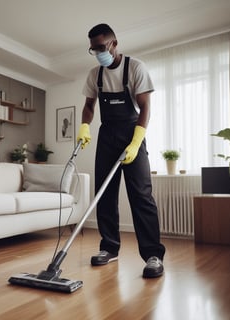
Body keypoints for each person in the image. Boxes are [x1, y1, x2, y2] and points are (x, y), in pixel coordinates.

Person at [77, 23, 165, 278]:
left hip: (132, 132)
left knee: (141, 195)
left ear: (114, 43)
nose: (98, 53)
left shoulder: (135, 67)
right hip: (107, 136)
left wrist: (136, 141)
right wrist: (84, 126)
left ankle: (153, 255)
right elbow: (89, 105)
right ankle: (109, 248)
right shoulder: (95, 74)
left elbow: (145, 107)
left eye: (101, 47)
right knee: (105, 193)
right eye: (93, 49)